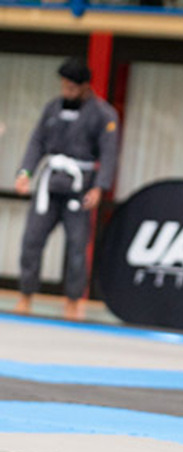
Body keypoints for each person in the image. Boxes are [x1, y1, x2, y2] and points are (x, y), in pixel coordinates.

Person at [13, 57, 119, 322]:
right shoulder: (52, 108)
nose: (66, 92)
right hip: (49, 185)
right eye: (64, 86)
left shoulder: (103, 114)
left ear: (84, 87)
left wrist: (99, 188)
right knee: (31, 241)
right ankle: (26, 294)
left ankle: (73, 300)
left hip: (78, 188)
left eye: (72, 88)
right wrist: (25, 173)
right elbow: (37, 142)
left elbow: (108, 155)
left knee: (77, 246)